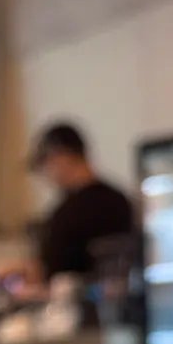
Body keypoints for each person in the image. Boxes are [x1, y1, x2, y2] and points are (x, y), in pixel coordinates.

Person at [30, 122, 135, 285]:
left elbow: (49, 275)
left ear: (60, 156)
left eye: (46, 164)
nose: (47, 175)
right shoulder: (121, 200)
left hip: (69, 298)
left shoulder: (66, 214)